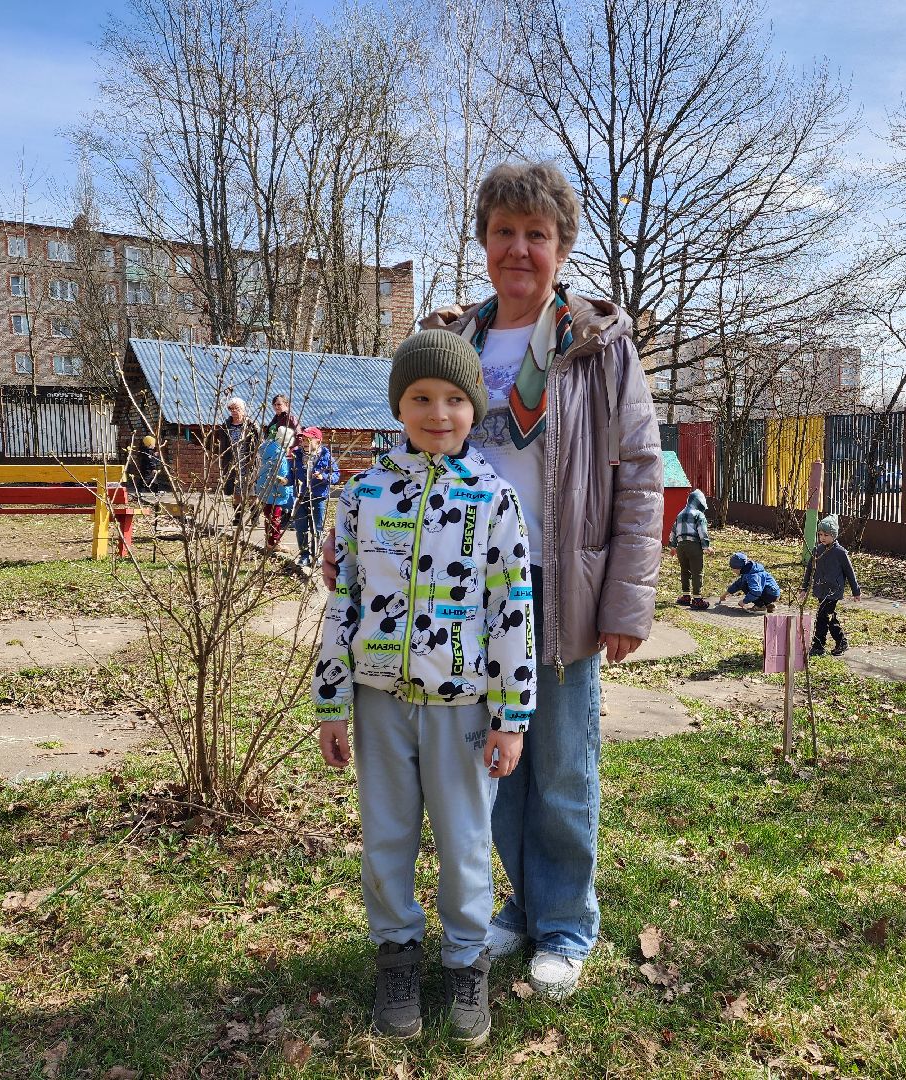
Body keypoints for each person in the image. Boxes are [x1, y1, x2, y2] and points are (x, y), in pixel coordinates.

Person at [323, 161, 661, 1000]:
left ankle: (568, 921)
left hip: (564, 584)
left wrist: (626, 598)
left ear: (561, 247)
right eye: (504, 232)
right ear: (484, 243)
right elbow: (411, 451)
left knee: (564, 763)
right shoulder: (456, 340)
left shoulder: (597, 346)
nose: (519, 249)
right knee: (491, 766)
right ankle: (519, 905)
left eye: (536, 235)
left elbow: (642, 474)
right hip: (462, 599)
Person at [314, 329, 536, 1045]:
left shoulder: (494, 500)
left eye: (451, 399)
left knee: (467, 842)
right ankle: (397, 956)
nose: (436, 412)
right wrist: (331, 703)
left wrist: (512, 716)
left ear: (473, 408)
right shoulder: (362, 495)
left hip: (463, 707)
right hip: (380, 703)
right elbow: (343, 598)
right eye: (419, 398)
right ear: (397, 406)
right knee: (387, 836)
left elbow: (512, 609)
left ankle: (466, 963)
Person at [800, 515, 861, 656]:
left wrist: (856, 591)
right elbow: (809, 570)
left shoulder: (840, 553)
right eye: (820, 534)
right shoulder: (817, 550)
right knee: (828, 617)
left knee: (822, 617)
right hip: (821, 589)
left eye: (826, 535)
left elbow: (850, 573)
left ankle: (818, 645)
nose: (822, 538)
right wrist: (804, 588)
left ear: (834, 535)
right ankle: (841, 641)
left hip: (833, 591)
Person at [291, 427, 337, 567]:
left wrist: (323, 476)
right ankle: (304, 556)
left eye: (309, 439)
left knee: (317, 528)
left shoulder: (326, 457)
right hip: (301, 496)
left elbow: (336, 476)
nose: (305, 442)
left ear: (318, 441)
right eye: (303, 439)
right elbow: (291, 473)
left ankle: (316, 555)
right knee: (301, 528)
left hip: (318, 497)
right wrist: (286, 480)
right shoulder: (297, 455)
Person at [214, 397, 260, 527]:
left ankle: (254, 518)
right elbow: (219, 443)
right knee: (236, 491)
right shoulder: (225, 426)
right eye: (231, 409)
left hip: (248, 462)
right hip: (232, 463)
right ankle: (237, 518)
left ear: (243, 409)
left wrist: (254, 460)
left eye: (237, 408)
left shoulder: (251, 425)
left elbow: (259, 443)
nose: (234, 411)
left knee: (251, 492)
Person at [668, 488, 712, 610]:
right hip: (694, 545)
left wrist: (673, 546)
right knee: (697, 571)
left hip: (681, 547)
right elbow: (702, 531)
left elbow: (673, 531)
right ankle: (697, 599)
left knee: (684, 570)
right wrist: (706, 546)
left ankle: (686, 596)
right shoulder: (699, 514)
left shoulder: (680, 514)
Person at [256, 427, 295, 550]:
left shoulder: (268, 448)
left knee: (269, 516)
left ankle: (270, 540)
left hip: (264, 488)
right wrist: (284, 493)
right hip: (274, 492)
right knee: (275, 518)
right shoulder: (280, 457)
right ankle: (274, 542)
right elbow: (281, 479)